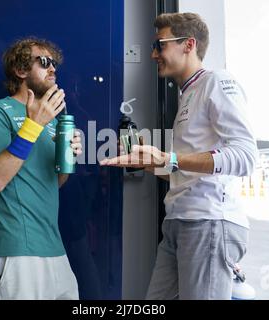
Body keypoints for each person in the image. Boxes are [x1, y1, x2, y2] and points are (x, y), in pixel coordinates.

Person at [101, 13, 258, 299]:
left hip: (208, 223)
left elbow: (245, 156)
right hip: (178, 222)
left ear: (188, 44)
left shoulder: (216, 81)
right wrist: (153, 164)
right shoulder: (188, 94)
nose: (152, 54)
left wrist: (168, 159)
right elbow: (183, 168)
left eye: (159, 45)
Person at [0, 37, 83, 299]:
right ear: (21, 70)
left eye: (54, 64)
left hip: (52, 245)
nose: (52, 69)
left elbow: (53, 182)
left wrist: (68, 158)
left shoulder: (52, 120)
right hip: (16, 248)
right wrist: (33, 126)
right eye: (44, 62)